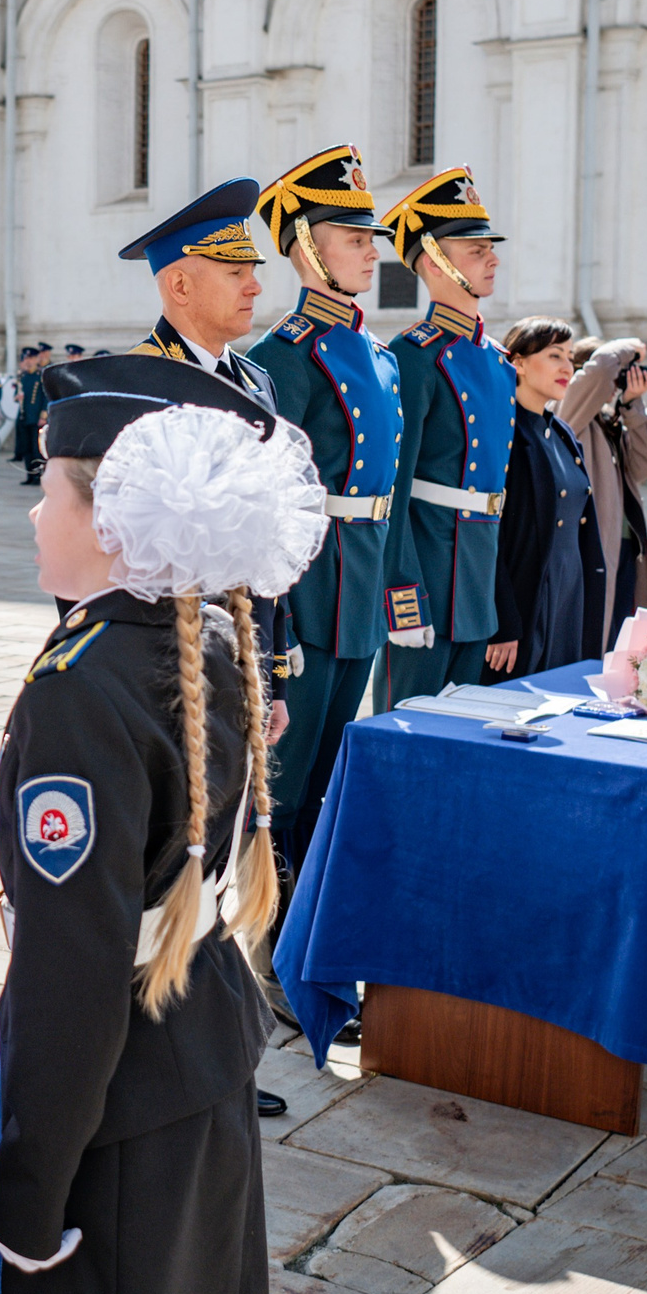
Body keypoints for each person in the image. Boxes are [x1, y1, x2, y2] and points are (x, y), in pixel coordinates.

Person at [0, 351, 322, 1294]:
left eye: (48, 491)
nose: (35, 514)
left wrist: (29, 1191)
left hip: (118, 1111)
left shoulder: (80, 690)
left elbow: (71, 975)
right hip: (203, 1052)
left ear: (112, 522)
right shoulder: (208, 635)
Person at [246, 146, 402, 883]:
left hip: (362, 584)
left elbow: (389, 493)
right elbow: (269, 502)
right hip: (310, 589)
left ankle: (310, 928)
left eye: (370, 238)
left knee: (334, 771)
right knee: (286, 777)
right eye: (355, 238)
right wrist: (277, 623)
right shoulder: (285, 356)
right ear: (306, 245)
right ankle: (268, 935)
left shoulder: (377, 354)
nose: (372, 252)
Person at [122, 177, 297, 710]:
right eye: (235, 272)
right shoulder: (134, 383)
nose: (255, 287)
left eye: (252, 272)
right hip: (171, 667)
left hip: (248, 655)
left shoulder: (256, 381)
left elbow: (269, 538)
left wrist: (276, 675)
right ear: (180, 287)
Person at [380, 164, 514, 700]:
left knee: (464, 740)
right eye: (476, 251)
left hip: (477, 579)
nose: (493, 259)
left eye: (490, 249)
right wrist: (403, 595)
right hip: (429, 577)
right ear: (434, 262)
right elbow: (394, 486)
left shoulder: (498, 360)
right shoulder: (415, 357)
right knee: (404, 730)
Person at [485, 318, 606, 680]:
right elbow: (490, 536)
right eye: (554, 356)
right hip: (525, 603)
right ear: (518, 361)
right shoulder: (502, 432)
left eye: (570, 357)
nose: (567, 367)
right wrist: (503, 622)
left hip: (569, 599)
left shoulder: (563, 434)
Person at [562, 333, 647, 630]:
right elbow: (598, 374)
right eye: (618, 376)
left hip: (622, 549)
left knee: (616, 637)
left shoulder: (610, 422)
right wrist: (630, 347)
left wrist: (633, 406)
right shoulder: (571, 414)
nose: (616, 385)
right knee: (593, 634)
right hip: (591, 549)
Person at [13, 344, 51, 484]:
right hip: (24, 416)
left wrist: (43, 415)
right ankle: (29, 475)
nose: (28, 361)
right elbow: (15, 394)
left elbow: (46, 397)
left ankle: (38, 476)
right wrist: (17, 397)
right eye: (26, 358)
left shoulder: (40, 375)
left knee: (37, 449)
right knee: (26, 448)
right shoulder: (22, 376)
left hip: (36, 417)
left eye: (31, 358)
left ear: (36, 359)